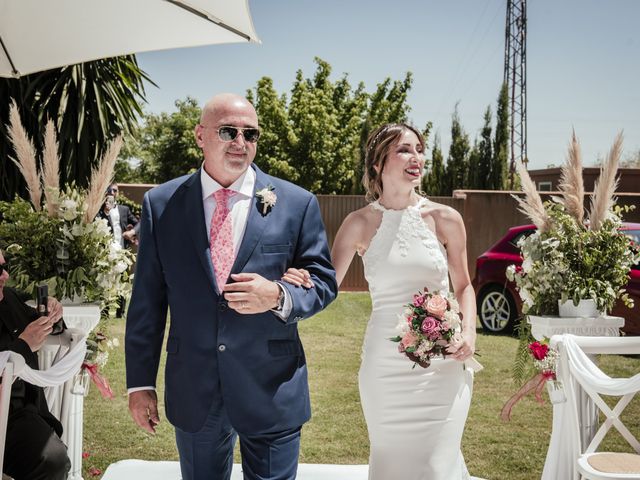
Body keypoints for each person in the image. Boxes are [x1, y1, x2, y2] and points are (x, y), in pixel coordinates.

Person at [125, 93, 338, 480]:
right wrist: (140, 384)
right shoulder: (162, 204)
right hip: (194, 388)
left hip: (272, 385)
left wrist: (278, 295)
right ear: (200, 135)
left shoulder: (296, 202)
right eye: (228, 131)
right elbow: (147, 302)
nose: (241, 142)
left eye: (250, 134)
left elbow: (323, 281)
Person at [328, 123, 477, 479]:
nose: (417, 158)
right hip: (385, 369)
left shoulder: (445, 219)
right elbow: (324, 286)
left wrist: (469, 332)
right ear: (378, 163)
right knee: (391, 464)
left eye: (420, 149)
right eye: (404, 150)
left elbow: (464, 287)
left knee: (436, 464)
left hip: (443, 365)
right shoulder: (358, 224)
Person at [0, 249, 71, 480]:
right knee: (51, 460)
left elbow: (46, 324)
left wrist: (54, 313)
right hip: (5, 419)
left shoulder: (10, 298)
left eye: (4, 266)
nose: (5, 276)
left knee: (54, 457)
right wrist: (22, 345)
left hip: (26, 412)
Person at [105, 183, 139, 249]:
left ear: (117, 193)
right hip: (105, 251)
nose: (112, 193)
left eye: (114, 190)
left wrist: (132, 232)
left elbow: (139, 223)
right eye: (109, 190)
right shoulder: (98, 210)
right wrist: (106, 212)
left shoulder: (124, 209)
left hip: (122, 249)